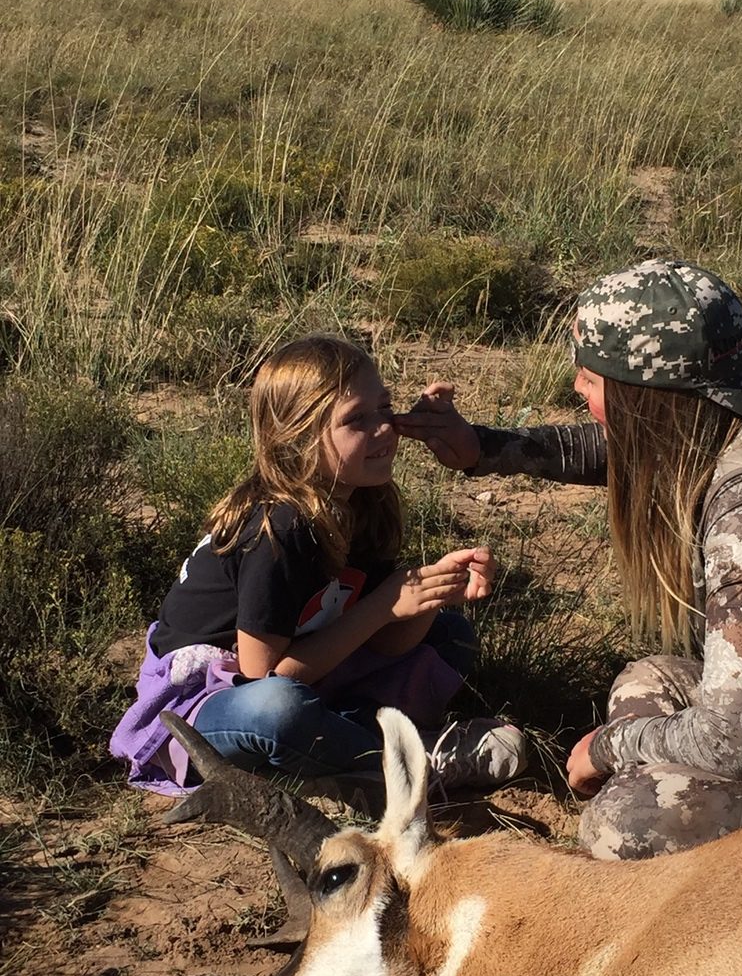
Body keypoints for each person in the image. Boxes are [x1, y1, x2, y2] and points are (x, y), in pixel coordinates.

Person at [395, 259, 742, 859]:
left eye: (590, 380)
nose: (578, 391)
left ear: (650, 399)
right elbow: (633, 448)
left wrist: (608, 749)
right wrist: (479, 446)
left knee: (627, 822)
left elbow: (732, 740)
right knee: (650, 680)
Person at [111, 335, 526, 797]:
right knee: (279, 711)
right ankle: (408, 763)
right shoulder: (280, 528)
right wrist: (386, 604)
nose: (384, 429)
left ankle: (333, 750)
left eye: (384, 408)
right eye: (356, 420)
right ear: (300, 438)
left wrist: (426, 598)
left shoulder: (365, 502)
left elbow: (382, 641)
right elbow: (264, 677)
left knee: (449, 634)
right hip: (207, 701)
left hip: (309, 665)